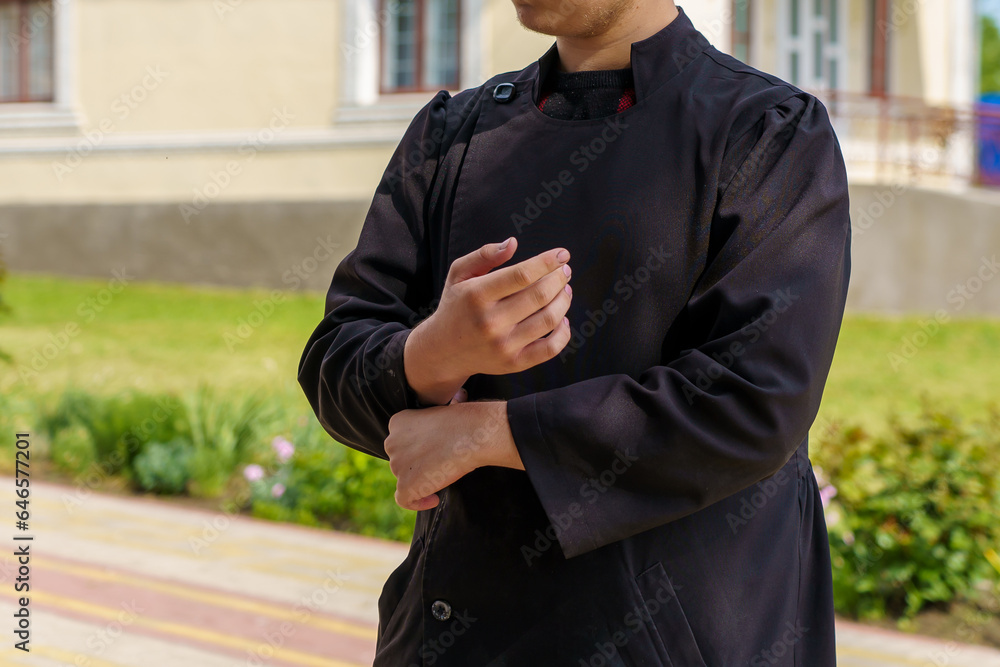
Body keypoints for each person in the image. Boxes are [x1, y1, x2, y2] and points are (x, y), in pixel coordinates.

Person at [297, 1, 851, 665]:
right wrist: (432, 353)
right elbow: (335, 357)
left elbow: (753, 398)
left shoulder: (765, 133)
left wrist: (488, 432)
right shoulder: (453, 135)